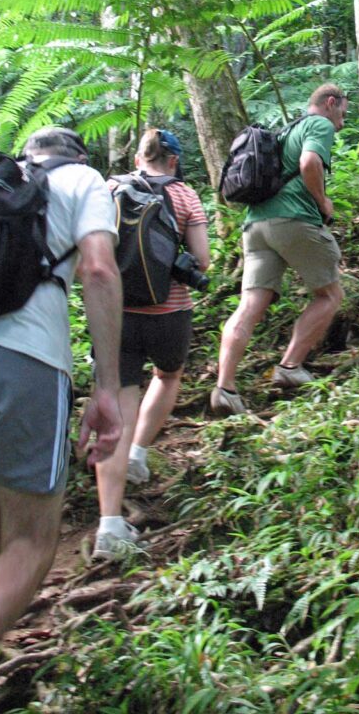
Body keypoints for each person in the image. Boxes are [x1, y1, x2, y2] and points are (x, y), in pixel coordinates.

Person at [0, 127, 122, 648]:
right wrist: (106, 388)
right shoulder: (83, 180)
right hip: (25, 361)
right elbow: (98, 269)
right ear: (80, 156)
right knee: (30, 543)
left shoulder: (1, 182)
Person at [93, 128, 209, 559]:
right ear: (173, 160)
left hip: (115, 315)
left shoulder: (109, 188)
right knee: (168, 374)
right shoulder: (184, 195)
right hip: (168, 312)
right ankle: (138, 453)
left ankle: (109, 525)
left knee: (116, 411)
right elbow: (202, 260)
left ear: (137, 157)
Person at [211, 84, 348, 416]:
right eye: (343, 112)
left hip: (256, 226)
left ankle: (224, 389)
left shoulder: (287, 130)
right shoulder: (319, 124)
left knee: (249, 307)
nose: (343, 120)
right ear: (330, 103)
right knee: (330, 296)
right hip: (293, 220)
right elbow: (309, 162)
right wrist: (323, 202)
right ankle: (290, 365)